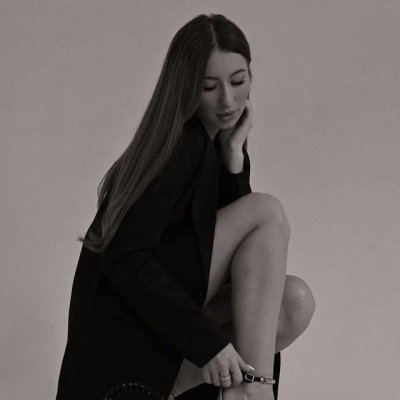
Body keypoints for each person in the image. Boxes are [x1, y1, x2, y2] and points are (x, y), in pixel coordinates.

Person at [55, 13, 315, 400]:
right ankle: (253, 392)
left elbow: (247, 266)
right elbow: (125, 259)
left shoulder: (210, 145)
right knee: (266, 212)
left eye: (238, 81)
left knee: (293, 300)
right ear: (185, 86)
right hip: (120, 344)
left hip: (164, 333)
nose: (228, 100)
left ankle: (192, 388)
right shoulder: (178, 146)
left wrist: (233, 158)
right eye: (209, 86)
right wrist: (208, 346)